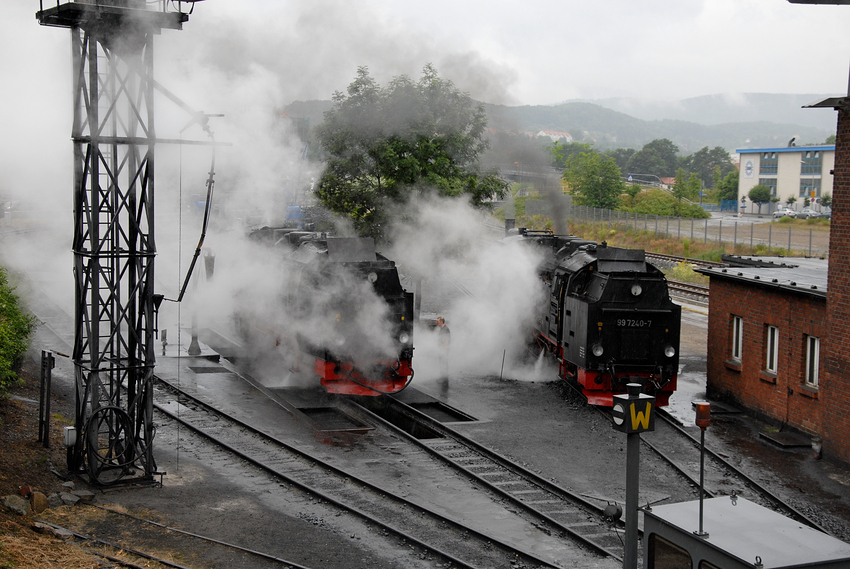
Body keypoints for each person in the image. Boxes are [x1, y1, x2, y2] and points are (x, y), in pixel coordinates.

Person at [436, 317, 450, 393]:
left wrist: (444, 350)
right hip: (441, 349)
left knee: (444, 363)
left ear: (441, 321)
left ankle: (445, 379)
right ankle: (442, 377)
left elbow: (446, 340)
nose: (436, 322)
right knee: (442, 363)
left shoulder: (445, 329)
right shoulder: (442, 329)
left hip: (444, 350)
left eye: (437, 321)